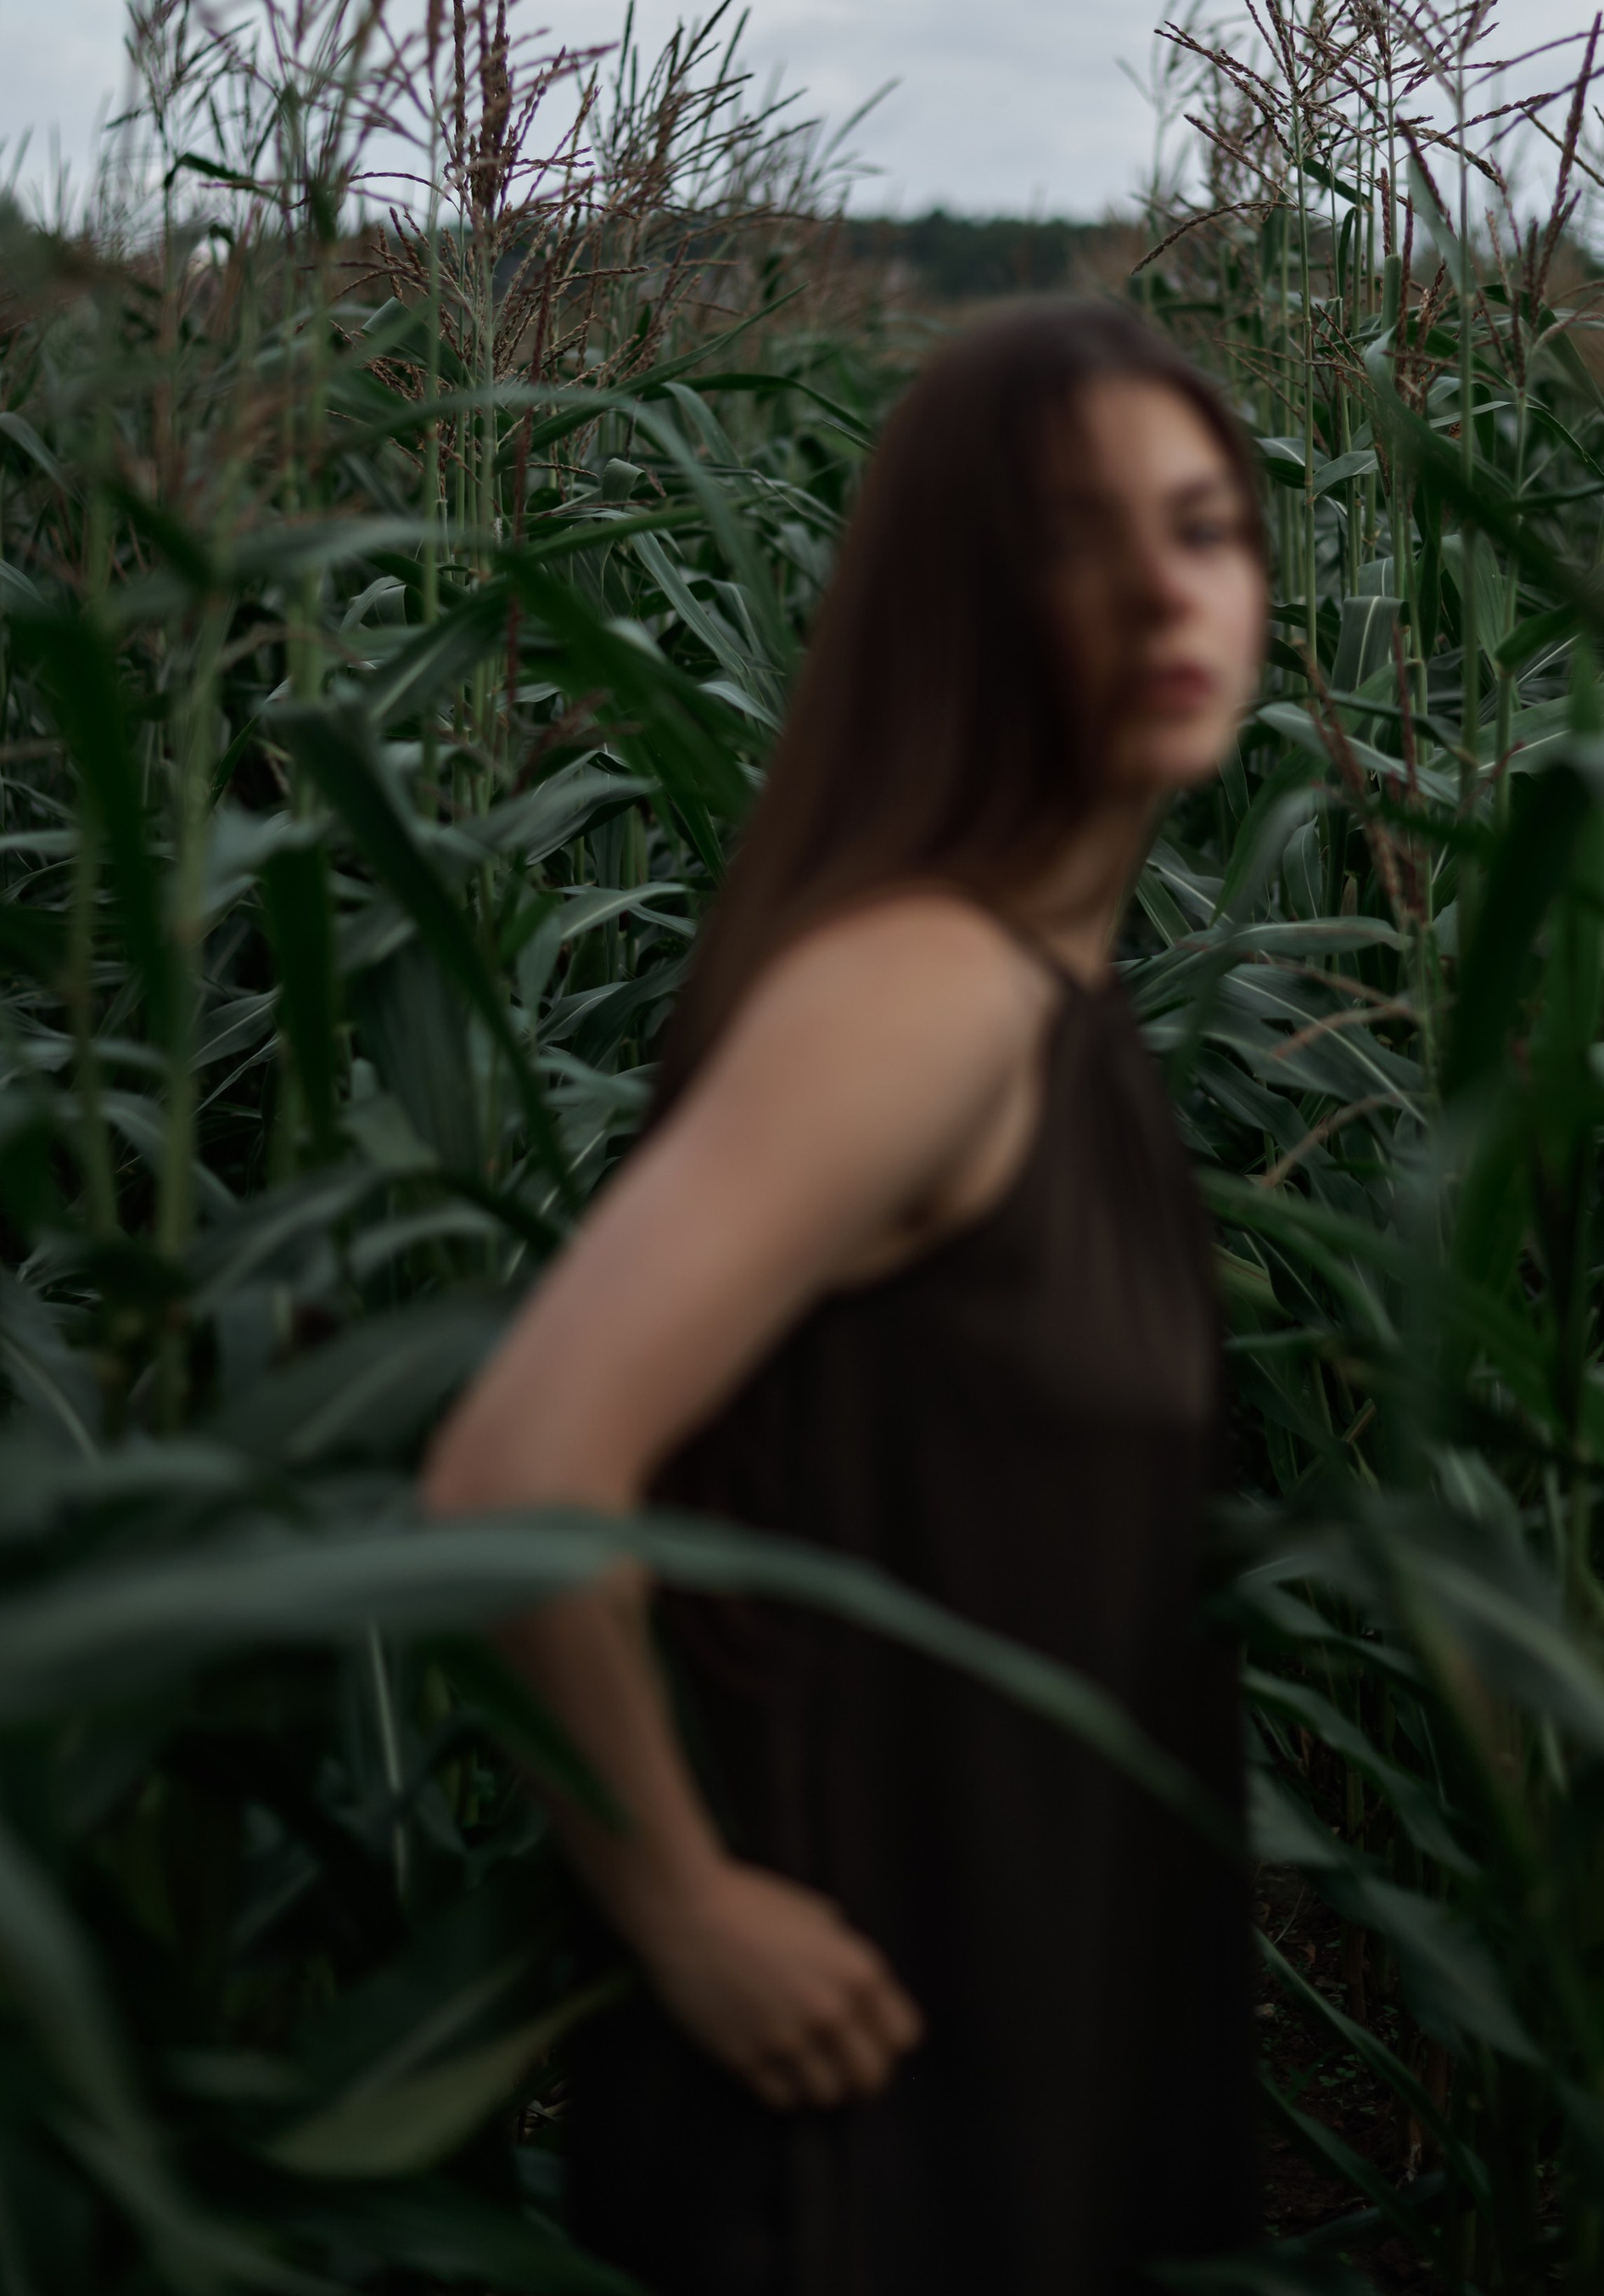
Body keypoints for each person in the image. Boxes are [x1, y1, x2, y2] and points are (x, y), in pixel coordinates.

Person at [423, 297, 1268, 2294]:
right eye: (1076, 538)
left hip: (1017, 2010)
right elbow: (512, 1476)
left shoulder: (1052, 998)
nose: (1165, 590)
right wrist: (683, 1903)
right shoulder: (923, 994)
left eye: (1204, 526)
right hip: (864, 2101)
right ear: (954, 602)